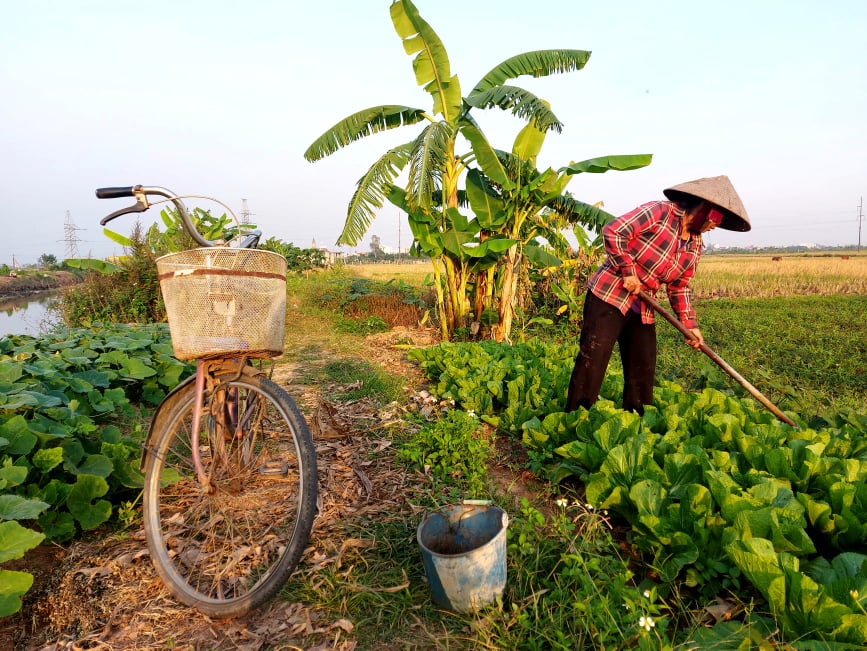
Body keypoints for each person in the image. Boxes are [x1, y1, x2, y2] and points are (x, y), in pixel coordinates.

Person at [565, 175, 751, 415]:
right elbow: (614, 231)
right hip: (610, 295)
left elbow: (680, 286)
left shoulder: (694, 244)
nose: (716, 225)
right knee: (594, 359)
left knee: (643, 365)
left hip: (643, 306)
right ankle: (575, 418)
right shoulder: (660, 212)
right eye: (716, 219)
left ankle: (640, 420)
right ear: (705, 209)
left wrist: (690, 325)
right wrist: (628, 271)